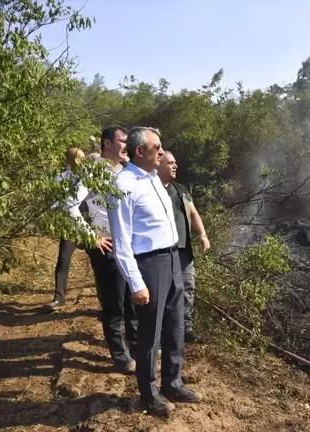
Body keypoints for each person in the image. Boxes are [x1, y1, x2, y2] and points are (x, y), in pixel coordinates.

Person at [108, 127, 201, 417]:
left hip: (173, 259)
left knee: (175, 326)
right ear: (140, 151)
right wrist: (136, 282)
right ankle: (149, 394)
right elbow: (121, 243)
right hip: (149, 265)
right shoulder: (123, 185)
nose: (161, 152)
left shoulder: (153, 180)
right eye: (157, 147)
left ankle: (172, 382)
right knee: (150, 333)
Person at [65, 125, 138, 374]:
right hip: (106, 245)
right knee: (114, 302)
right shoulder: (93, 172)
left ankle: (137, 347)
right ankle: (120, 356)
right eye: (122, 140)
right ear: (107, 143)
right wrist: (90, 237)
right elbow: (70, 204)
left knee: (133, 298)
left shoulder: (129, 171)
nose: (126, 145)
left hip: (130, 245)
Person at [157, 151, 210, 343]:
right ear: (159, 164)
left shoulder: (180, 190)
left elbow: (194, 213)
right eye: (170, 162)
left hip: (183, 251)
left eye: (175, 162)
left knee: (187, 287)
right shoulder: (150, 189)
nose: (175, 166)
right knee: (162, 290)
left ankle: (184, 327)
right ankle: (161, 328)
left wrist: (202, 235)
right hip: (160, 252)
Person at [47, 147, 86, 311]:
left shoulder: (90, 176)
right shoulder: (60, 178)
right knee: (63, 260)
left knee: (101, 262)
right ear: (69, 159)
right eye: (76, 157)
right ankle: (59, 297)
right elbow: (55, 203)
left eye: (81, 157)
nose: (79, 160)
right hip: (71, 225)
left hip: (90, 224)